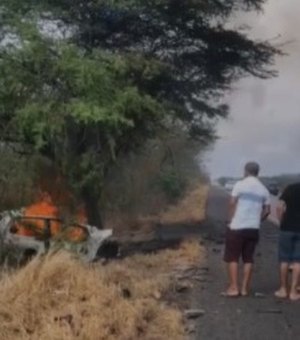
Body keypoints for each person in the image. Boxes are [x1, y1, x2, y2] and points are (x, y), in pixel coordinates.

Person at [223, 162, 271, 297]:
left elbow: (232, 203)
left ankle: (234, 287)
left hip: (237, 226)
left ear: (245, 171)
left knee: (233, 258)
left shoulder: (240, 185)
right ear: (257, 172)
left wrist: (231, 220)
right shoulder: (264, 189)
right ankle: (244, 289)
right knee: (248, 258)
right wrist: (258, 220)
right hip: (253, 228)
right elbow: (267, 211)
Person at [275, 182, 300, 301]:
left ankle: (283, 289)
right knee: (298, 261)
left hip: (287, 227)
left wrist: (281, 221)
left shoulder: (290, 188)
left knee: (284, 259)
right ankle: (294, 292)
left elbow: (279, 206)